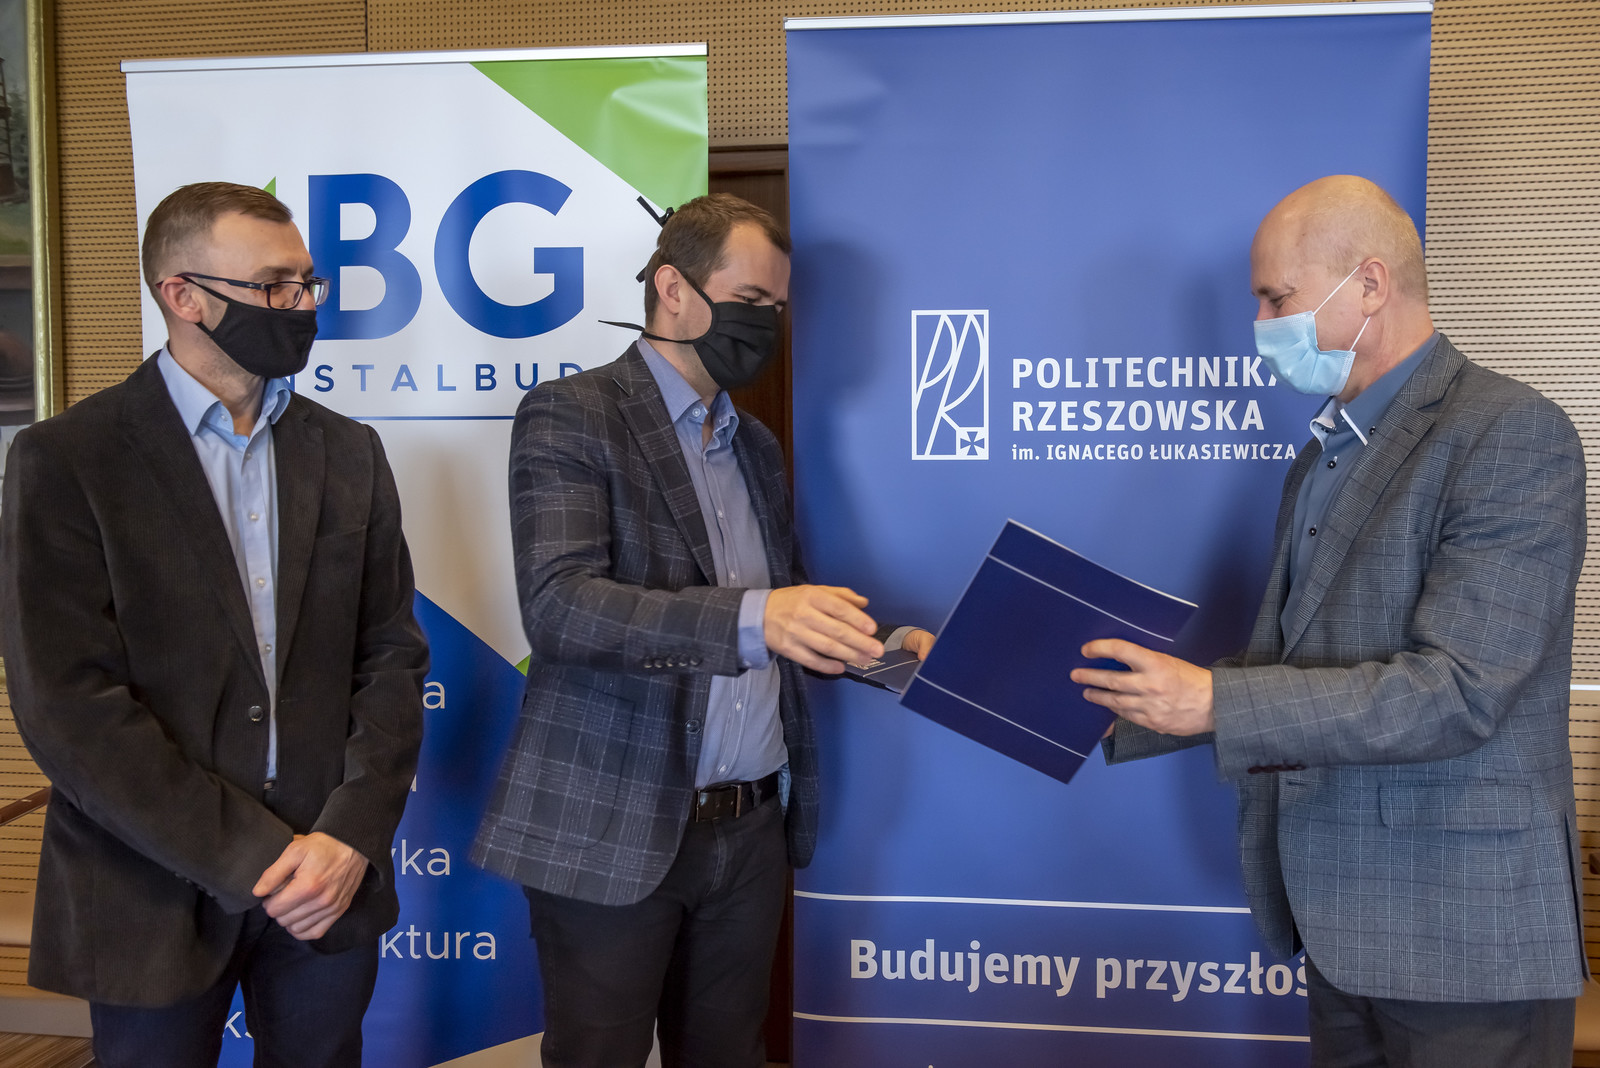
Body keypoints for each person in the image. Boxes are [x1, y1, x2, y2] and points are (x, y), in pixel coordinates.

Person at [1072, 174, 1587, 1068]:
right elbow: (1295, 667)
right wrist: (1116, 701)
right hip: (1339, 927)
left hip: (1466, 938)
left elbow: (1457, 691)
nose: (1261, 324)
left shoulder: (1510, 434)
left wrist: (1213, 703)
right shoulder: (1323, 457)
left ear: (1371, 284)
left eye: (1277, 299)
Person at [473, 193, 931, 1068]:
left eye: (777, 308)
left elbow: (784, 610)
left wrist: (884, 653)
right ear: (673, 289)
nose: (766, 325)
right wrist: (763, 615)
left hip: (748, 832)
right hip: (613, 817)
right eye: (749, 300)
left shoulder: (754, 444)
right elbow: (563, 607)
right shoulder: (573, 412)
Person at [0, 182, 429, 1068]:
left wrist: (348, 836)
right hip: (149, 883)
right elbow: (67, 705)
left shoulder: (349, 451)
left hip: (328, 879)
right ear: (183, 295)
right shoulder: (66, 459)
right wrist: (257, 857)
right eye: (273, 286)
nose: (302, 306)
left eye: (307, 283)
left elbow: (391, 655)